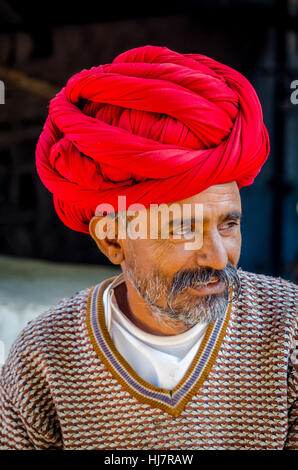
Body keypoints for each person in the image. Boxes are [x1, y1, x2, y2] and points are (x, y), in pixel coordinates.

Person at [0, 45, 297, 450]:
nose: (219, 257)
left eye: (229, 225)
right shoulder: (44, 357)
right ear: (112, 239)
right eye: (183, 230)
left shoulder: (289, 331)